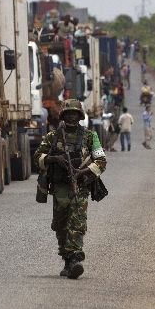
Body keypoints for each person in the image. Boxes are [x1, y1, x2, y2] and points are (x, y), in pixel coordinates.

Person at [34, 99, 107, 279]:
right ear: (63, 115)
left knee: (77, 223)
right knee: (61, 225)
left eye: (75, 113)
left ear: (80, 116)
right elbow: (38, 157)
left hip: (80, 186)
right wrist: (54, 159)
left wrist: (82, 171)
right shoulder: (53, 136)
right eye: (68, 113)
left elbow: (101, 161)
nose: (71, 116)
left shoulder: (90, 136)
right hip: (59, 188)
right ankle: (67, 259)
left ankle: (75, 259)